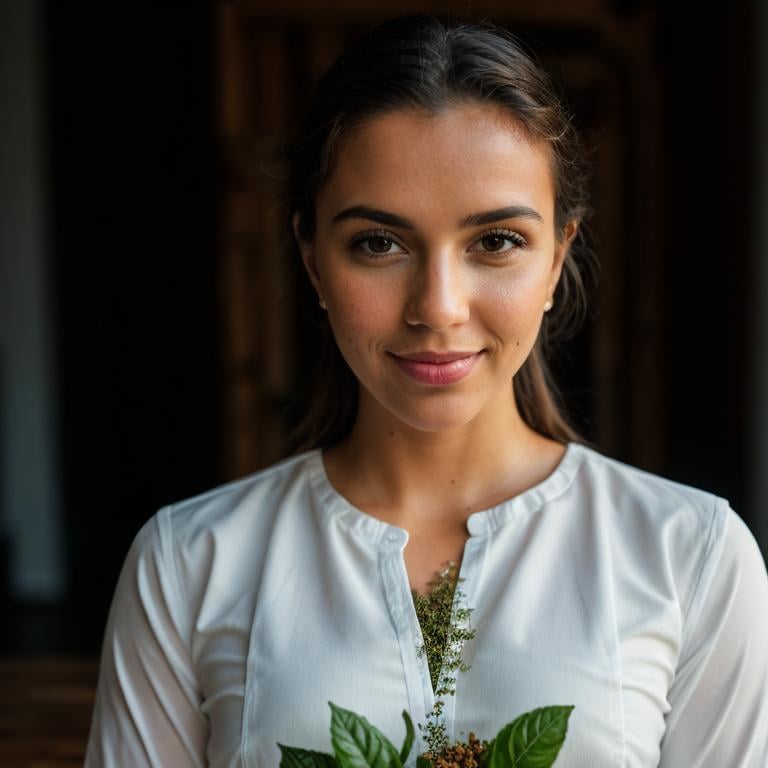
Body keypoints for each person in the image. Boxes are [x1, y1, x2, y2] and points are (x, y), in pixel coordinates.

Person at [84, 14, 768, 767]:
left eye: (496, 241)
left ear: (557, 257)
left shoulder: (690, 557)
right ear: (313, 259)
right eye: (378, 243)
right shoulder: (189, 564)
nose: (438, 306)